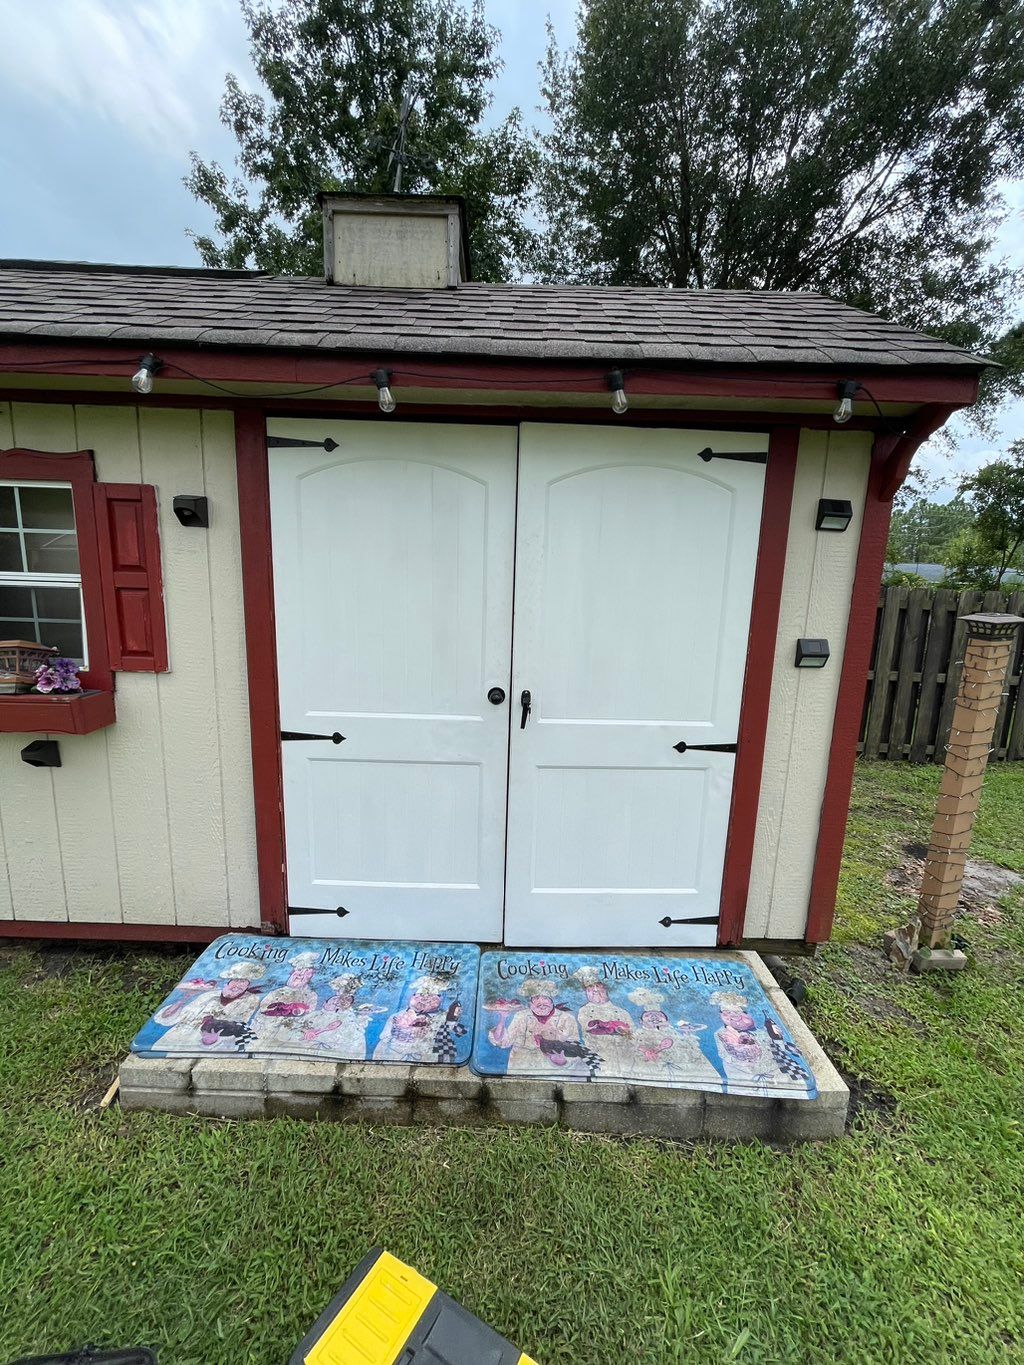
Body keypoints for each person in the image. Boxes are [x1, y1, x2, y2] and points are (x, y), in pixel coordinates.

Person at [710, 990, 811, 1096]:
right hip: (743, 1077)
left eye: (735, 1011)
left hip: (772, 1075)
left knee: (795, 1083)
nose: (731, 1015)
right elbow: (724, 1054)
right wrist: (744, 1060)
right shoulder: (721, 1033)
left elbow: (775, 1045)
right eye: (725, 1012)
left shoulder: (757, 1031)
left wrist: (776, 1038)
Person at [487, 977, 590, 1077]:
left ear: (552, 1001)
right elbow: (503, 1042)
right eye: (536, 998)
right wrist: (502, 1018)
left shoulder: (567, 1018)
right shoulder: (521, 1016)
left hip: (554, 1073)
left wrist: (561, 1060)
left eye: (545, 998)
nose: (541, 1002)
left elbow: (575, 1050)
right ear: (530, 1002)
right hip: (521, 1070)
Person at [152, 962, 265, 1053]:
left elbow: (240, 1023)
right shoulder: (210, 995)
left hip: (218, 1044)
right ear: (228, 981)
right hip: (181, 1039)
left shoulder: (250, 1000)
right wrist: (183, 1000)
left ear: (248, 985)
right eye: (236, 980)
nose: (238, 985)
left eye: (244, 982)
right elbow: (171, 1017)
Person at [626, 986, 721, 1089]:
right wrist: (645, 1051)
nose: (654, 1017)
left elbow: (693, 1055)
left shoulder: (675, 1033)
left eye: (659, 1014)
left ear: (667, 1021)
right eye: (648, 1014)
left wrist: (688, 1036)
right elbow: (631, 1046)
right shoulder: (638, 1035)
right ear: (641, 1021)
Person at [252, 950, 321, 1054]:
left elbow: (309, 1016)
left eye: (307, 972)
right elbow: (264, 1009)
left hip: (291, 1039)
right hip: (265, 1034)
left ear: (311, 976)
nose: (300, 975)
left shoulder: (311, 995)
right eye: (299, 970)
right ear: (293, 972)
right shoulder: (276, 992)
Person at [372, 974, 448, 1064]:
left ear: (440, 999)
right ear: (412, 996)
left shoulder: (443, 1019)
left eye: (432, 996)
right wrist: (376, 1061)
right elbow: (384, 1041)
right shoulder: (396, 1017)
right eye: (420, 995)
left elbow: (445, 1045)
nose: (425, 999)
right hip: (395, 1059)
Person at [573, 966, 633, 1077]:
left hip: (624, 1058)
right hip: (599, 1055)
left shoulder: (622, 1012)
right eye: (590, 987)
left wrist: (610, 1027)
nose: (595, 990)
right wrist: (615, 1027)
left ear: (605, 989)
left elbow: (630, 1034)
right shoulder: (584, 1010)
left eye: (598, 986)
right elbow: (591, 1029)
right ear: (586, 992)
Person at [299, 973, 376, 1059]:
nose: (338, 1003)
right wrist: (307, 1031)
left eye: (347, 1000)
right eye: (334, 1000)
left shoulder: (349, 1020)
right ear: (324, 1003)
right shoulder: (314, 1015)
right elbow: (297, 1026)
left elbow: (354, 1041)